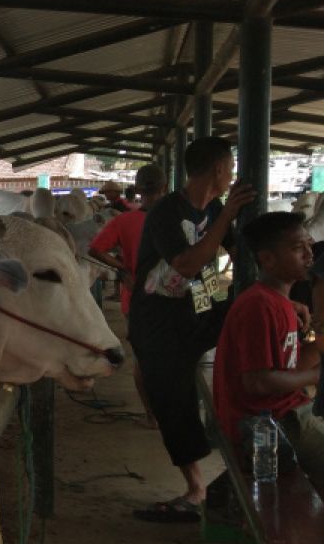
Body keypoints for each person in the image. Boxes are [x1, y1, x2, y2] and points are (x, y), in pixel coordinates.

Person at [129, 136, 256, 522]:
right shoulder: (168, 211)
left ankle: (228, 455)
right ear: (218, 170)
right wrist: (225, 217)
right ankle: (196, 487)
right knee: (172, 397)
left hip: (196, 305)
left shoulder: (215, 209)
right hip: (158, 320)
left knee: (232, 347)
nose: (232, 175)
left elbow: (232, 254)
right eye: (230, 167)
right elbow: (186, 264)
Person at [215, 212, 324, 496]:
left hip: (278, 414)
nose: (309, 254)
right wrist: (314, 375)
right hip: (266, 425)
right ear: (268, 259)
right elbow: (258, 383)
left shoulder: (275, 301)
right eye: (297, 248)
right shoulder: (259, 306)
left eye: (309, 245)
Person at [89, 164, 168, 427]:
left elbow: (95, 249)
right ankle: (172, 408)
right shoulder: (176, 219)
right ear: (165, 188)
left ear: (138, 189)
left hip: (134, 298)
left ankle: (152, 415)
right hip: (173, 299)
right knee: (173, 355)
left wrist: (123, 269)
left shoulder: (124, 221)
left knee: (143, 358)